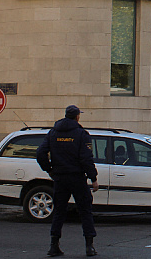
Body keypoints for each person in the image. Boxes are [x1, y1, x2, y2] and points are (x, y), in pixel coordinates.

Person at [36, 105, 99, 257]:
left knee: (59, 211)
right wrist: (93, 178)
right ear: (77, 116)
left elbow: (40, 153)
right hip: (77, 177)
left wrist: (49, 169)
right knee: (85, 210)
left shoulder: (53, 133)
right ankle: (89, 246)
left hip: (60, 178)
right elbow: (86, 159)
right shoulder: (81, 134)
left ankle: (53, 245)